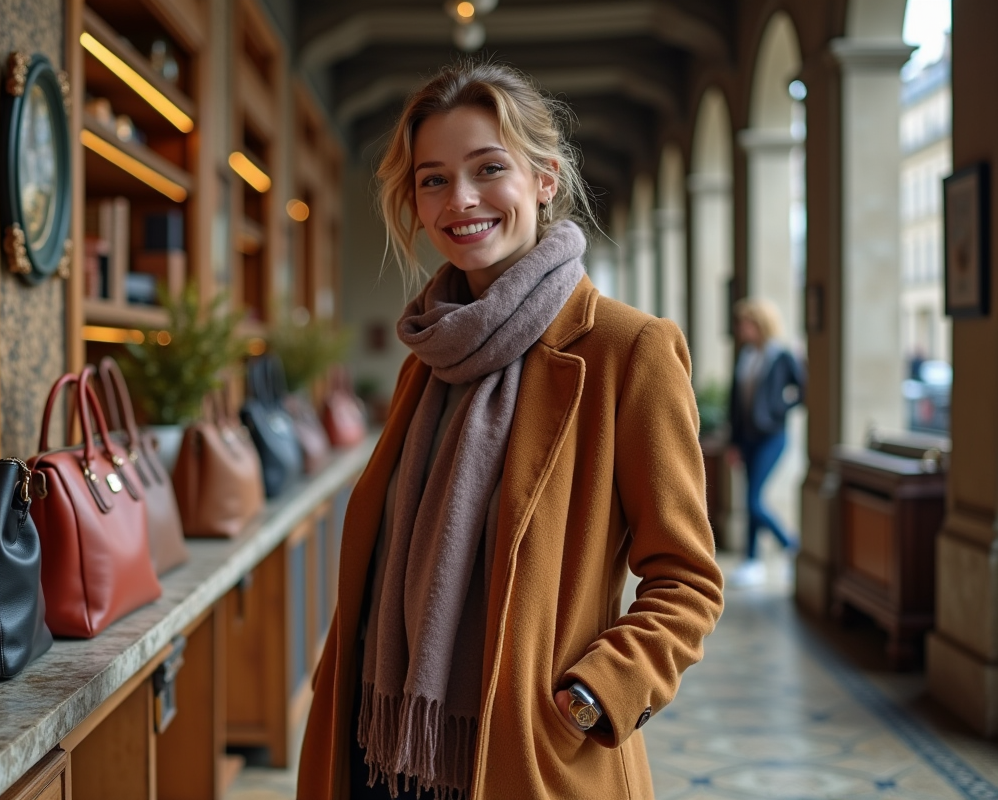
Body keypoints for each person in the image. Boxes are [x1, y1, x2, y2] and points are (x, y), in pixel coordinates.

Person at [297, 61, 723, 800]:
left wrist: (596, 695)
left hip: (530, 756)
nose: (460, 200)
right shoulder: (427, 359)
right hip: (381, 748)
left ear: (544, 179)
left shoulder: (627, 350)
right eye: (432, 179)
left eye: (487, 168)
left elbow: (686, 580)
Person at [726, 297, 805, 588]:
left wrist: (776, 411)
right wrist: (733, 443)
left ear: (760, 324)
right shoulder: (746, 355)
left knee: (753, 500)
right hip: (746, 438)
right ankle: (751, 561)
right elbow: (734, 402)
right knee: (750, 498)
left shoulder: (781, 355)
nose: (741, 329)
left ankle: (790, 545)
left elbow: (802, 391)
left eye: (746, 323)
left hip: (772, 437)